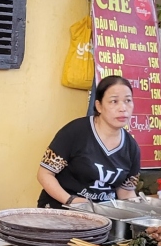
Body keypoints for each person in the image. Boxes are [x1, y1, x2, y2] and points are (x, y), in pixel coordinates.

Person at [38, 76, 142, 207]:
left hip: (103, 216)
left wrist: (142, 216)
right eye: (114, 101)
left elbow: (126, 192)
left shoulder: (132, 148)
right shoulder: (76, 132)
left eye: (128, 100)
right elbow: (45, 174)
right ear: (99, 106)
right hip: (61, 210)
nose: (123, 108)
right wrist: (71, 200)